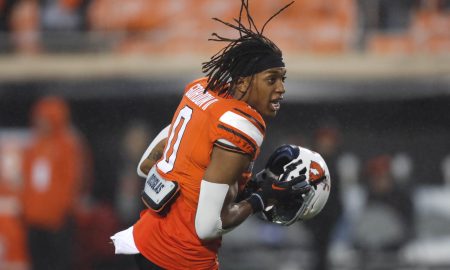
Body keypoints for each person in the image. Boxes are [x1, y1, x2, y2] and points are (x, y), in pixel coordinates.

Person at [110, 1, 304, 269]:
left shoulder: (200, 89)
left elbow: (145, 166)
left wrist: (248, 185)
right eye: (272, 79)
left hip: (146, 243)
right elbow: (207, 227)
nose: (281, 88)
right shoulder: (242, 125)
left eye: (283, 78)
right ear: (244, 82)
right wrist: (259, 200)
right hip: (181, 259)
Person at [21, 96, 84, 270]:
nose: (42, 123)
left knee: (58, 262)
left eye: (46, 119)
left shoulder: (68, 145)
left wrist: (61, 211)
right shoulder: (33, 145)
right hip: (34, 220)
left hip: (58, 220)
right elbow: (26, 180)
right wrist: (27, 209)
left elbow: (72, 182)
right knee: (38, 262)